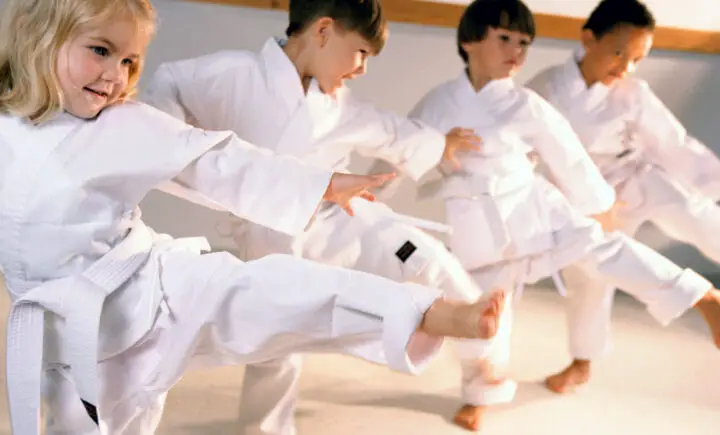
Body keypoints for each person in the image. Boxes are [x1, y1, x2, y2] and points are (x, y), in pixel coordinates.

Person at [0, 0, 506, 433]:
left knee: (285, 295)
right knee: (109, 414)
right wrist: (162, 137)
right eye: (101, 51)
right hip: (78, 322)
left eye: (130, 61)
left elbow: (217, 158)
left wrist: (326, 184)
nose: (117, 76)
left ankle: (427, 314)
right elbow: (177, 95)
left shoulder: (124, 124)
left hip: (183, 270)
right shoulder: (228, 75)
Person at [408, 0, 720, 429]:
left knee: (622, 244)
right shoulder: (456, 100)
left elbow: (581, 155)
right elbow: (403, 145)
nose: (517, 51)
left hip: (575, 194)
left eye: (524, 43)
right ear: (470, 41)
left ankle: (699, 295)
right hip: (480, 216)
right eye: (505, 39)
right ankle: (483, 389)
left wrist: (598, 204)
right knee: (482, 305)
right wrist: (375, 182)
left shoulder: (536, 102)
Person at [525, 0, 720, 393]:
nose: (626, 68)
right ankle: (582, 362)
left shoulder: (634, 92)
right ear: (588, 39)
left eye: (636, 59)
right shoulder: (545, 90)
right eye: (619, 53)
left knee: (696, 214)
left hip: (635, 177)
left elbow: (674, 145)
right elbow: (523, 155)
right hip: (583, 197)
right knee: (589, 278)